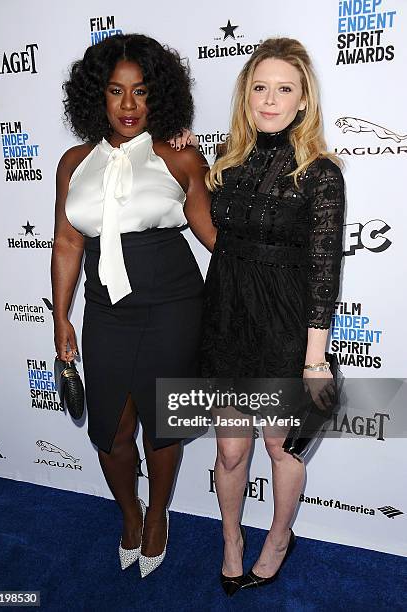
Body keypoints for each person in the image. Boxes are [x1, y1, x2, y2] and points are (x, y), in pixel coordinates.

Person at [51, 33, 215, 578]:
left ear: (157, 96)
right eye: (116, 92)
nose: (127, 105)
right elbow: (68, 242)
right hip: (106, 309)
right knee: (112, 430)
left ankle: (158, 516)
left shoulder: (181, 156)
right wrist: (61, 320)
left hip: (173, 303)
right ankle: (130, 513)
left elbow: (215, 236)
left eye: (141, 92)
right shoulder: (73, 162)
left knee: (163, 424)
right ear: (96, 97)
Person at [200, 37, 345, 595]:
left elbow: (323, 273)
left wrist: (314, 360)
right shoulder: (227, 163)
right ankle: (231, 537)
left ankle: (280, 537)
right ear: (245, 95)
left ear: (304, 98)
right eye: (259, 87)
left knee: (279, 446)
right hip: (228, 316)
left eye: (284, 88)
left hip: (285, 325)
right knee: (229, 448)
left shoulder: (321, 173)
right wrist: (181, 143)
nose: (269, 99)